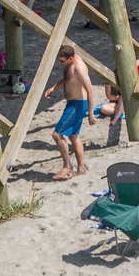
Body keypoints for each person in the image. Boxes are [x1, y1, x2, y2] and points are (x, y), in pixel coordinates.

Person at [44, 44, 94, 179]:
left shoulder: (79, 67)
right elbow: (67, 79)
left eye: (62, 61)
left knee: (57, 134)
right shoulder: (68, 63)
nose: (60, 63)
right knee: (73, 136)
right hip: (72, 103)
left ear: (70, 58)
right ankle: (81, 168)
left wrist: (91, 112)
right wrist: (54, 87)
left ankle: (67, 166)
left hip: (78, 105)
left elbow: (89, 90)